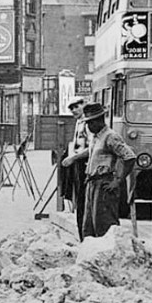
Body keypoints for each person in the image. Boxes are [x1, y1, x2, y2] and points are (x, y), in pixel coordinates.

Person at [62, 102, 136, 239]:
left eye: (90, 123)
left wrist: (117, 180)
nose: (88, 127)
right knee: (88, 227)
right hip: (92, 183)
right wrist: (73, 158)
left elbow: (129, 157)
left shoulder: (110, 136)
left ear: (98, 121)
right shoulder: (97, 137)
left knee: (104, 226)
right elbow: (90, 151)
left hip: (104, 184)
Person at [60, 98, 90, 237]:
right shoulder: (79, 122)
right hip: (77, 164)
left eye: (76, 107)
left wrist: (74, 157)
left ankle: (86, 235)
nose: (73, 110)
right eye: (71, 108)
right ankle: (81, 234)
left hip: (86, 165)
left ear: (84, 105)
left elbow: (92, 147)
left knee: (85, 201)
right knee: (78, 199)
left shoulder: (89, 123)